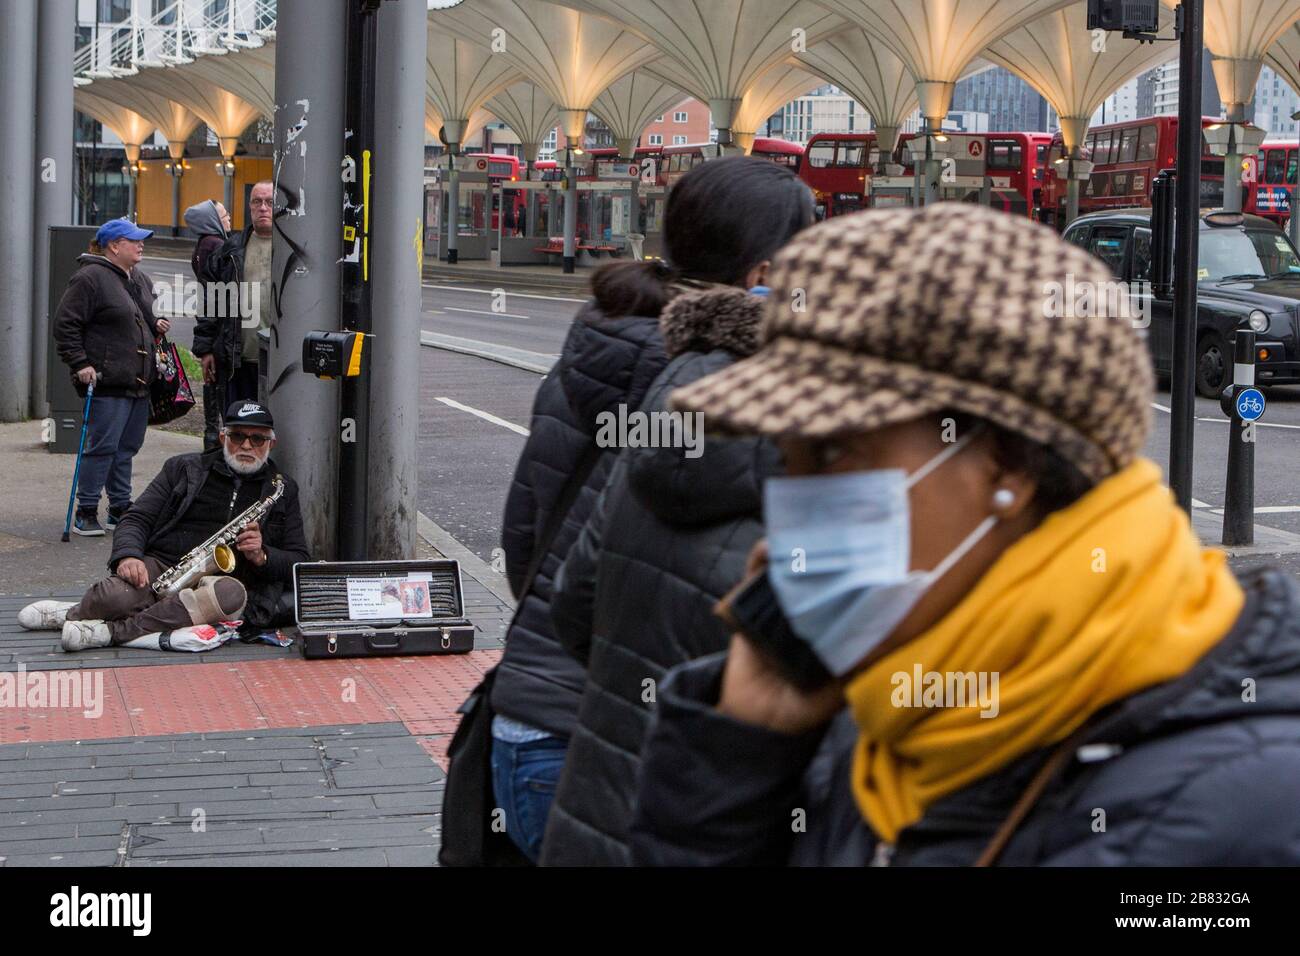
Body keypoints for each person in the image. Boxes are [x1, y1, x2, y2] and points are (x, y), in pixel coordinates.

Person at [628, 204, 1300, 866]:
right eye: (787, 459)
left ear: (1007, 464)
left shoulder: (1244, 821)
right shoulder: (889, 704)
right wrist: (743, 752)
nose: (786, 509)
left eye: (833, 454)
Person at [477, 157, 795, 864]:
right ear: (763, 272)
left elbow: (526, 536)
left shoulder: (598, 338)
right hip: (623, 750)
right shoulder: (734, 382)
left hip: (531, 721)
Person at [17, 401, 309, 653]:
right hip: (165, 565)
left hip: (223, 584)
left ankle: (108, 633)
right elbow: (136, 517)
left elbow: (300, 560)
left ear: (272, 443)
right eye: (237, 436)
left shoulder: (281, 490)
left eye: (257, 439)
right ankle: (73, 614)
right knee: (113, 596)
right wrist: (128, 556)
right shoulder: (183, 468)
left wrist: (263, 556)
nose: (246, 446)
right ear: (222, 437)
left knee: (229, 595)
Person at [53, 218, 171, 536]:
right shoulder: (89, 278)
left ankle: (120, 508)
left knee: (126, 448)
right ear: (114, 246)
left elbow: (143, 314)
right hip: (106, 380)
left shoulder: (138, 278)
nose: (141, 244)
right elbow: (66, 325)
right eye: (134, 240)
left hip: (139, 382)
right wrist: (80, 363)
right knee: (102, 447)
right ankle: (86, 511)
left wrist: (156, 321)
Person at [194, 180, 274, 413]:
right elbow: (210, 302)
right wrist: (206, 349)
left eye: (269, 202)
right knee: (237, 424)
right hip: (237, 360)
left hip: (280, 362)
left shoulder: (295, 248)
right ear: (249, 207)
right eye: (257, 202)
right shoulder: (229, 251)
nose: (263, 208)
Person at [184, 199, 232, 451]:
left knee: (212, 386)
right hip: (219, 331)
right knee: (219, 387)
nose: (229, 218)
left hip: (212, 331)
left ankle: (212, 436)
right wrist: (207, 345)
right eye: (224, 214)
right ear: (212, 220)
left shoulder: (203, 245)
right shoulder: (216, 246)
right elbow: (214, 297)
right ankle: (215, 442)